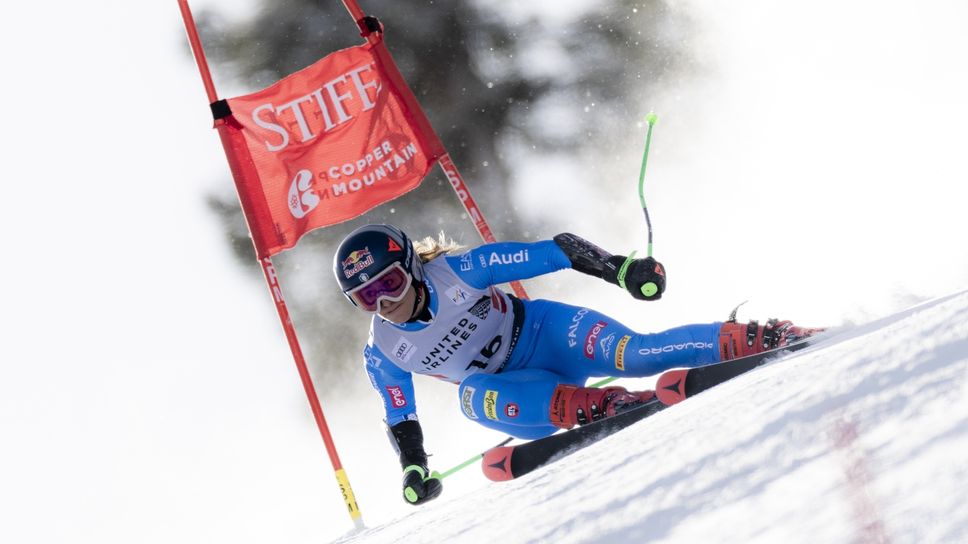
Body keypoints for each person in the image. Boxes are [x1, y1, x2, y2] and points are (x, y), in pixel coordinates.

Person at [333, 224, 820, 505]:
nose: (382, 303)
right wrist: (414, 469)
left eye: (388, 284)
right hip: (520, 396)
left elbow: (559, 249)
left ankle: (754, 337)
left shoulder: (460, 271)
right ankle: (599, 406)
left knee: (637, 354)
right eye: (364, 297)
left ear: (413, 268)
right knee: (470, 396)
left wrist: (622, 270)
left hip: (548, 333)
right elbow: (401, 414)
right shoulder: (384, 350)